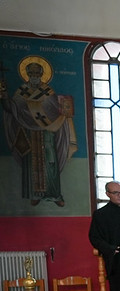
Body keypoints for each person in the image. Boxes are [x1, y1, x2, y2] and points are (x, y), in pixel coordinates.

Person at [1, 57, 77, 207]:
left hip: (47, 133)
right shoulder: (22, 91)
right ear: (27, 74)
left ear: (42, 74)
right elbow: (12, 109)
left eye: (37, 73)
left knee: (51, 162)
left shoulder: (48, 91)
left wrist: (63, 110)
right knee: (32, 163)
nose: (34, 75)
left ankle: (55, 195)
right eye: (32, 73)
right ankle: (35, 194)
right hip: (29, 133)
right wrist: (3, 97)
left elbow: (56, 109)